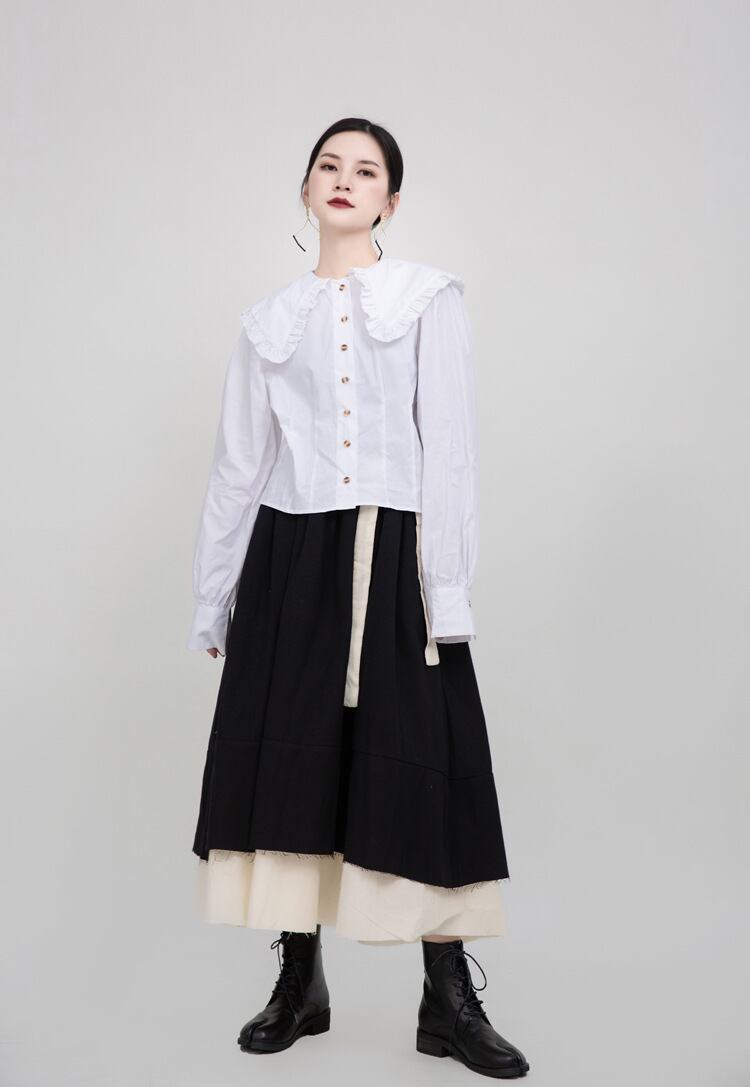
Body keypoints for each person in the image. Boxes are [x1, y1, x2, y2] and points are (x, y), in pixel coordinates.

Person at [186, 116, 530, 1078]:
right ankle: (299, 981)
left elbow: (449, 450)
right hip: (291, 554)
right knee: (292, 758)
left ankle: (446, 997)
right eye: (328, 166)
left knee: (420, 752)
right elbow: (238, 466)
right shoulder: (268, 321)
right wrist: (214, 596)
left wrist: (446, 588)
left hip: (399, 547)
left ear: (391, 200)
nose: (344, 178)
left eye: (366, 169)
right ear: (306, 190)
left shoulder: (427, 299)